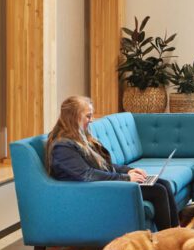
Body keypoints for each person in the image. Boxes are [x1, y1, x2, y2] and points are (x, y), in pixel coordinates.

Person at [45, 95, 178, 230]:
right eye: (88, 116)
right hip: (96, 191)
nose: (91, 120)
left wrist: (128, 171)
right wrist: (126, 178)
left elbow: (104, 166)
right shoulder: (63, 146)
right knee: (158, 191)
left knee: (164, 183)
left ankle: (177, 233)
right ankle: (166, 240)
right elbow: (87, 175)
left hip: (106, 183)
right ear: (73, 117)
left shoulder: (81, 137)